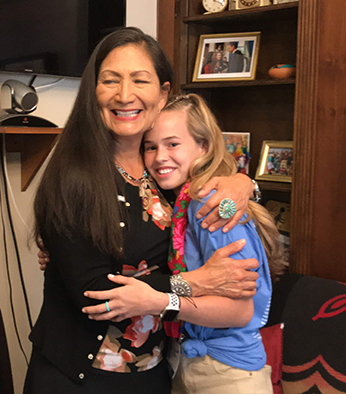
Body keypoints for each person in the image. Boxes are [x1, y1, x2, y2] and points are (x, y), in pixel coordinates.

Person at [26, 27, 259, 394]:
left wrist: (244, 185)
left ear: (164, 92)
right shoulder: (74, 175)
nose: (124, 95)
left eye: (140, 80)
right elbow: (98, 295)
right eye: (110, 80)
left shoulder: (164, 170)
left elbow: (209, 207)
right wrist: (197, 282)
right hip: (81, 378)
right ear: (93, 90)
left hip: (155, 370)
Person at [82, 94, 287, 393]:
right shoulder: (175, 202)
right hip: (188, 363)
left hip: (227, 372)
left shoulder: (210, 204)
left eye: (172, 144)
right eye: (150, 147)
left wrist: (162, 301)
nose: (160, 156)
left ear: (203, 145)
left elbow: (241, 311)